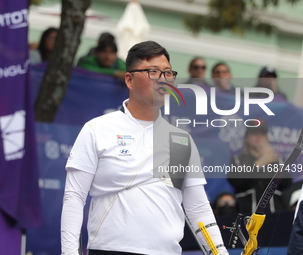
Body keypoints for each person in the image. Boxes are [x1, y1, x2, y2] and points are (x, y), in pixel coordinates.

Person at [61, 41, 228, 255]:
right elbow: (74, 197)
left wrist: (219, 252)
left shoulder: (179, 140)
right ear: (129, 80)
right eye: (153, 72)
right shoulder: (98, 129)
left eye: (168, 73)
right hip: (110, 250)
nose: (163, 79)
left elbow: (198, 208)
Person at [227, 120, 292, 214]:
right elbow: (236, 182)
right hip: (247, 216)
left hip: (274, 215)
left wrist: (273, 161)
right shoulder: (237, 160)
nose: (258, 137)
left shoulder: (278, 160)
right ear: (246, 138)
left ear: (267, 137)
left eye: (262, 133)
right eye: (254, 133)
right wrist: (260, 163)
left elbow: (287, 183)